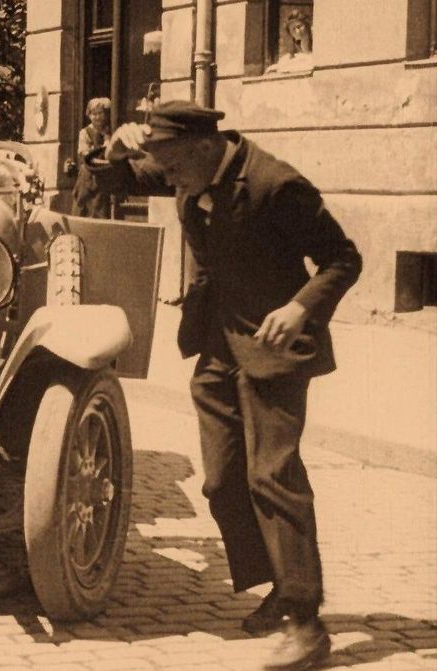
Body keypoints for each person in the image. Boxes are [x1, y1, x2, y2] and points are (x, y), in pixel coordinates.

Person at [88, 100, 362, 671]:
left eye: (170, 169)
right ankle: (276, 590)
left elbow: (342, 258)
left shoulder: (276, 185)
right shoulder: (186, 166)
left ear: (201, 147)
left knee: (272, 475)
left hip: (275, 346)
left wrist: (299, 308)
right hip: (217, 343)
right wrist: (109, 150)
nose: (166, 181)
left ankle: (305, 623)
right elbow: (114, 177)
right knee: (219, 480)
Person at [69, 97, 113, 218]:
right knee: (86, 204)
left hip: (103, 174)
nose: (97, 117)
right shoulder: (85, 132)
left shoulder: (109, 131)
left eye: (100, 113)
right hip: (89, 174)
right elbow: (84, 154)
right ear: (89, 115)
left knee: (101, 207)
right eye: (94, 114)